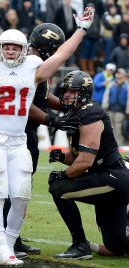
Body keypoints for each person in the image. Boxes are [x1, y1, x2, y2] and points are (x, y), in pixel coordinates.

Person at [0, 1, 94, 266]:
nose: (11, 52)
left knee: (21, 196)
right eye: (7, 47)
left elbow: (61, 56)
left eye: (16, 47)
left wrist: (81, 29)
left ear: (24, 50)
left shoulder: (32, 70)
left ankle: (10, 245)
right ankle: (0, 247)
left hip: (18, 142)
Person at [4, 23, 81, 257]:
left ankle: (12, 238)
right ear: (48, 47)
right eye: (56, 47)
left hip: (26, 132)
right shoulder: (27, 65)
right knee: (14, 189)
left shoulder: (36, 64)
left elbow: (43, 97)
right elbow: (26, 106)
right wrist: (54, 121)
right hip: (18, 131)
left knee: (21, 187)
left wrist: (70, 107)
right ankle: (7, 240)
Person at [48, 70, 129, 259]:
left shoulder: (90, 114)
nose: (66, 94)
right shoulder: (77, 112)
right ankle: (87, 246)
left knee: (59, 188)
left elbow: (85, 162)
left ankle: (80, 246)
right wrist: (62, 157)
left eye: (72, 91)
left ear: (84, 92)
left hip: (112, 178)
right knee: (117, 245)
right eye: (65, 90)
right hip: (107, 177)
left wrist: (63, 175)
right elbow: (78, 155)